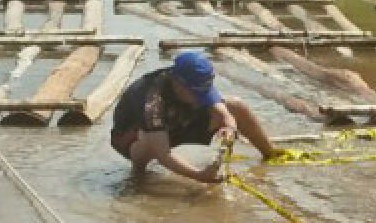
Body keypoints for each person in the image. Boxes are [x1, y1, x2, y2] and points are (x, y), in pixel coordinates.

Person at [111, 51, 278, 183]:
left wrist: (230, 128)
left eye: (204, 92)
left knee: (236, 106)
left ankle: (270, 153)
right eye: (197, 93)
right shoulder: (151, 100)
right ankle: (139, 176)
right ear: (178, 84)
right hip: (133, 137)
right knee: (148, 142)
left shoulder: (197, 82)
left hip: (175, 120)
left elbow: (225, 114)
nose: (202, 97)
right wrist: (199, 176)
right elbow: (163, 154)